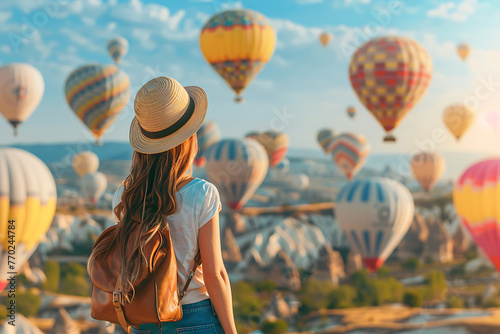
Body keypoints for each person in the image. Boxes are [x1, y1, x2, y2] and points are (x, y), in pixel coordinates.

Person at [110, 77, 237, 334]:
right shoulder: (202, 193)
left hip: (143, 318)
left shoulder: (123, 196)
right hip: (195, 317)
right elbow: (215, 275)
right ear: (188, 139)